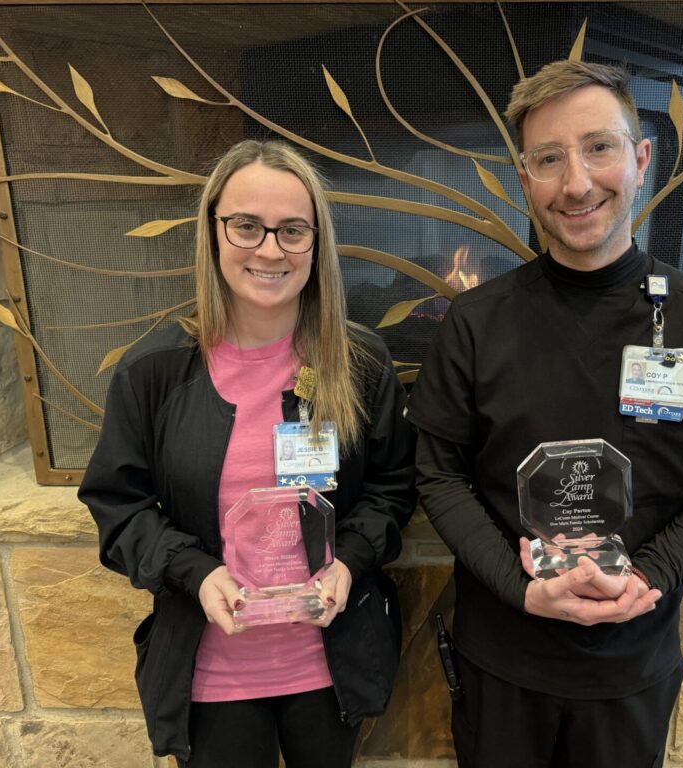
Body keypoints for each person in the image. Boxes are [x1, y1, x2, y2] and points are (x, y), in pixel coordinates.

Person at [406, 60, 683, 768]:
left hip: (631, 669)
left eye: (599, 148)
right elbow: (439, 476)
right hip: (501, 665)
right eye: (549, 159)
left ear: (641, 159)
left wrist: (649, 574)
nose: (577, 182)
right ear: (526, 181)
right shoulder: (474, 324)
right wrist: (521, 588)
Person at [79, 140, 416, 768]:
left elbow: (394, 488)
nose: (270, 249)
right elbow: (117, 506)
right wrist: (195, 572)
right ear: (212, 231)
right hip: (212, 675)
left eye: (292, 230)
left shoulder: (360, 363)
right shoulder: (155, 371)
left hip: (329, 667)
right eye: (246, 226)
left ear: (316, 243)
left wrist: (350, 562)